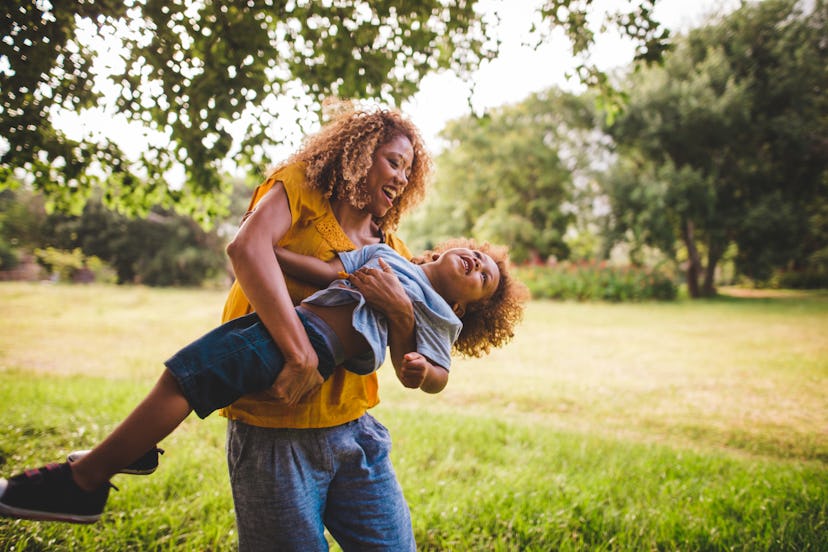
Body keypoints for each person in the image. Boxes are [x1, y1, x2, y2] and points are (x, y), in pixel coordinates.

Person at [0, 238, 528, 525]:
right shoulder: (385, 254)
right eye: (479, 256)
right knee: (192, 374)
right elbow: (329, 275)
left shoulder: (441, 315)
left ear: (465, 304)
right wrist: (271, 252)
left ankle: (87, 481)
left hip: (307, 346)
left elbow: (433, 373)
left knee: (185, 378)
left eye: (484, 278)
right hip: (287, 325)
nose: (479, 264)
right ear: (445, 250)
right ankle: (126, 451)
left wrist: (422, 371)